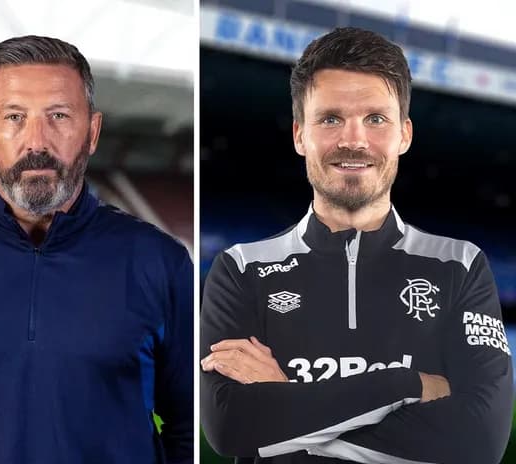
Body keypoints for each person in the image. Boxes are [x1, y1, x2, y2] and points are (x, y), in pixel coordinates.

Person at [200, 27, 513, 463]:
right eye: (330, 119)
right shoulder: (241, 269)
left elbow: (479, 442)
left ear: (404, 134)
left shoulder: (459, 265)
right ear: (299, 135)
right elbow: (231, 427)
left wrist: (285, 402)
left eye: (376, 119)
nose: (353, 140)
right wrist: (406, 385)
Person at [0, 35, 194, 463]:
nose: (37, 142)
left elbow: (187, 428)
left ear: (93, 131)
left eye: (59, 115)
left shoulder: (161, 263)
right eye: (13, 117)